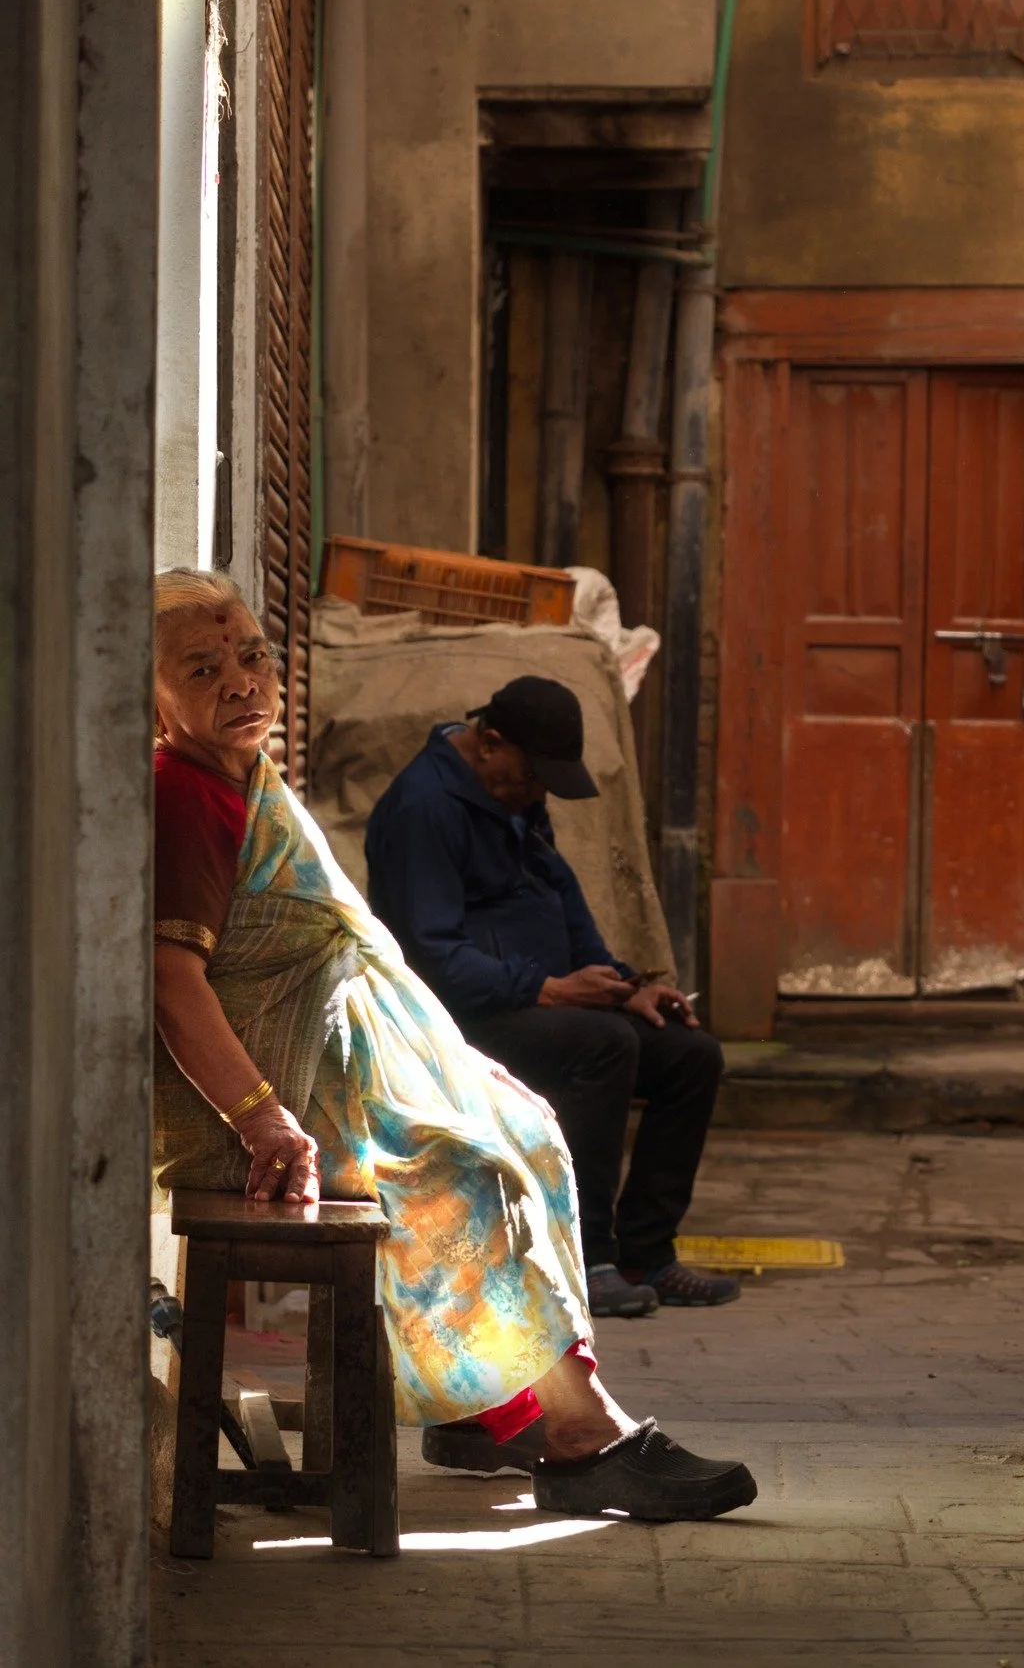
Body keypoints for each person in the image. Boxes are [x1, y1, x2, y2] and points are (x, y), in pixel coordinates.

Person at [150, 568, 755, 1515]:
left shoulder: (244, 777)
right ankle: (575, 1433)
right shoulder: (183, 793)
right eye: (203, 666)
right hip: (263, 1101)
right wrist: (265, 1122)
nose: (243, 681)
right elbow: (170, 979)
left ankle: (493, 1409)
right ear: (148, 693)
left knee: (526, 1125)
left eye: (255, 656)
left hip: (324, 1072)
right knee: (470, 1170)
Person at [364, 677, 740, 1318]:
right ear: (489, 742)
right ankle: (585, 1259)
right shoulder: (422, 809)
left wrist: (625, 985)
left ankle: (647, 1255)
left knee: (689, 1053)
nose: (538, 791)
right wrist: (548, 989)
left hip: (533, 1001)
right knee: (603, 1047)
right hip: (458, 1021)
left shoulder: (512, 796)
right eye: (532, 774)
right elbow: (431, 956)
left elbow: (561, 905)